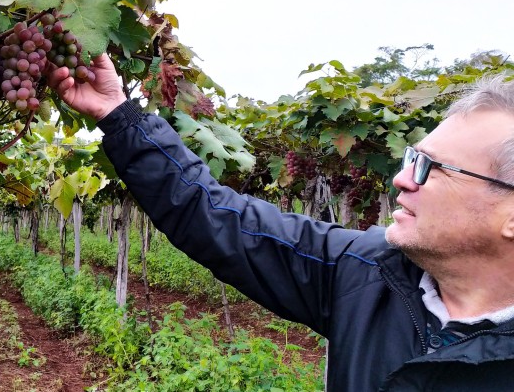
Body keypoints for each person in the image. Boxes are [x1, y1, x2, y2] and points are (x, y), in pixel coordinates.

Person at [49, 54, 514, 391]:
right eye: (412, 158)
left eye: (431, 168)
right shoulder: (365, 273)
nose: (401, 179)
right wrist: (118, 115)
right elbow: (216, 217)